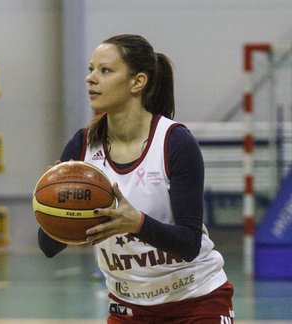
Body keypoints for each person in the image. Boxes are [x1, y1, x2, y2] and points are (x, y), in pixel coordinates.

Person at [38, 34, 234, 323]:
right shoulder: (82, 147)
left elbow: (190, 243)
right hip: (128, 307)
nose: (91, 79)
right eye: (90, 69)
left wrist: (137, 223)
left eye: (105, 70)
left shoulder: (174, 142)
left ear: (137, 82)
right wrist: (55, 207)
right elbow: (48, 247)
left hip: (196, 299)